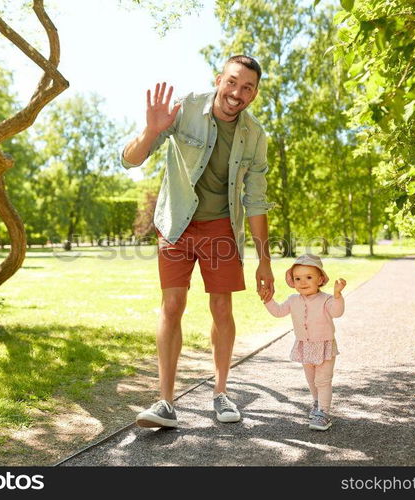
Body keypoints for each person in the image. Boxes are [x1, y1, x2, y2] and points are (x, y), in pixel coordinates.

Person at [121, 55, 275, 428]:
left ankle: (221, 392)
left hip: (221, 226)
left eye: (247, 88)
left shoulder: (254, 136)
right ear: (219, 79)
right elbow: (130, 160)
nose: (237, 93)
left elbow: (255, 199)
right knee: (172, 305)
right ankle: (165, 402)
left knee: (222, 309)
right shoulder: (186, 107)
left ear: (254, 95)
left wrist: (264, 260)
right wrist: (152, 131)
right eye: (233, 82)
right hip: (176, 221)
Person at [263, 254, 346, 431]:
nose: (303, 282)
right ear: (292, 281)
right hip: (305, 345)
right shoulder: (293, 300)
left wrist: (337, 295)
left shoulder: (326, 299)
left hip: (324, 345)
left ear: (320, 279)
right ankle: (317, 403)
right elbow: (278, 312)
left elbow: (337, 312)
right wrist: (268, 300)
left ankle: (323, 412)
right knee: (312, 380)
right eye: (297, 278)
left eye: (309, 277)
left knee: (323, 380)